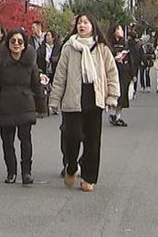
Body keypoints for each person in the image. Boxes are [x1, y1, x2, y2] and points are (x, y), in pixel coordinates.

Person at [49, 13, 119, 193]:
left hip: (94, 100)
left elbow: (111, 73)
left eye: (86, 22)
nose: (82, 25)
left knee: (92, 142)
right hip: (72, 101)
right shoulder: (68, 48)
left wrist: (112, 96)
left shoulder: (101, 48)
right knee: (70, 138)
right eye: (79, 22)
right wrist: (54, 99)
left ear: (92, 26)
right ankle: (71, 166)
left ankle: (89, 177)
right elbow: (60, 76)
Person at [0, 30, 44, 185]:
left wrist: (41, 106)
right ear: (8, 43)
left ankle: (27, 172)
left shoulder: (31, 62)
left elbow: (37, 84)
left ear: (25, 45)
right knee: (7, 141)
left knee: (25, 140)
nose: (16, 44)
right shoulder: (0, 62)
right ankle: (11, 171)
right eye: (13, 41)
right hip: (5, 104)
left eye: (20, 41)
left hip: (25, 103)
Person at [108, 23, 135, 126]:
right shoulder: (109, 44)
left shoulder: (125, 44)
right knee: (114, 94)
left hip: (125, 72)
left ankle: (118, 116)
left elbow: (130, 58)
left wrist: (133, 74)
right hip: (113, 72)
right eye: (118, 29)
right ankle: (112, 114)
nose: (121, 31)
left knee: (123, 95)